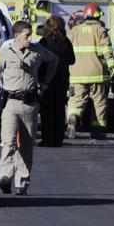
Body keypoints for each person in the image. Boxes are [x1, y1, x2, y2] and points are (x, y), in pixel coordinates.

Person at [0, 21, 57, 195]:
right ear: (16, 36)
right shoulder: (4, 53)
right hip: (11, 104)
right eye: (26, 36)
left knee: (27, 146)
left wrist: (45, 82)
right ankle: (5, 177)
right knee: (8, 142)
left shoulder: (37, 51)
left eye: (31, 35)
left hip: (30, 105)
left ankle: (22, 182)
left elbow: (54, 60)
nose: (30, 38)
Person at [65, 3, 114, 140]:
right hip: (96, 74)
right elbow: (107, 51)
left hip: (76, 74)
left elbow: (66, 50)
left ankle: (73, 117)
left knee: (76, 100)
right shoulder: (100, 30)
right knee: (99, 102)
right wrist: (112, 68)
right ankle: (98, 130)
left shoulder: (74, 30)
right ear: (97, 16)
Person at [39, 15, 75, 147]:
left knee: (46, 111)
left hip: (47, 81)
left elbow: (39, 61)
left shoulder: (44, 42)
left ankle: (47, 138)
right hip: (62, 80)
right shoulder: (65, 42)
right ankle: (58, 139)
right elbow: (72, 60)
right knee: (59, 110)